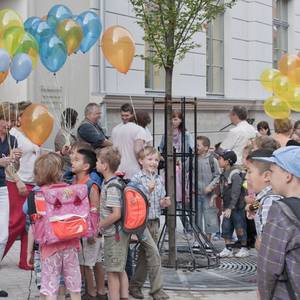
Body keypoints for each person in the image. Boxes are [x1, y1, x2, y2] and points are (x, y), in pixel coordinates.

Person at [26, 153, 81, 300]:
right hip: (71, 243)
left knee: (50, 288)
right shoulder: (69, 190)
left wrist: (29, 251)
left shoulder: (37, 195)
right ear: (59, 172)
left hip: (49, 247)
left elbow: (34, 227)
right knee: (74, 287)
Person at [254, 146, 300, 299]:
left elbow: (269, 266)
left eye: (272, 172)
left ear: (288, 176)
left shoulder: (280, 211)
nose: (269, 177)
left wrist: (263, 295)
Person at [129, 146, 170, 300]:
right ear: (141, 161)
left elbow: (159, 201)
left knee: (144, 255)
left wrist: (164, 202)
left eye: (156, 160)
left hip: (155, 222)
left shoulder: (159, 179)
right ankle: (157, 291)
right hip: (141, 224)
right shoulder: (137, 178)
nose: (154, 162)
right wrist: (148, 190)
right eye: (150, 159)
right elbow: (133, 201)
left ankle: (135, 286)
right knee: (154, 254)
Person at [4, 101, 38, 270]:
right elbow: (10, 163)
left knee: (28, 223)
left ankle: (26, 260)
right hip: (18, 181)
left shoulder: (32, 133)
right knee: (15, 222)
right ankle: (1, 253)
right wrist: (18, 180)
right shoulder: (14, 134)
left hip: (31, 181)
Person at [71, 148, 107, 300]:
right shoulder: (74, 181)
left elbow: (95, 210)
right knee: (94, 261)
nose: (72, 162)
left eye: (77, 160)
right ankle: (100, 292)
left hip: (89, 231)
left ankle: (92, 293)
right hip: (82, 230)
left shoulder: (90, 185)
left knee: (86, 263)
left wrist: (92, 231)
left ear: (86, 166)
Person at [96, 147, 130, 300]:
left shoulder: (111, 186)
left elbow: (116, 214)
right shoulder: (111, 182)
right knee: (120, 269)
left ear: (105, 166)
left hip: (114, 235)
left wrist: (100, 224)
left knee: (112, 272)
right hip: (118, 233)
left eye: (98, 161)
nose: (96, 163)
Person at [0, 103, 22, 298]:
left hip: (2, 188)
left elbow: (13, 168)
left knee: (3, 236)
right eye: (7, 120)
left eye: (12, 121)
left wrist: (16, 159)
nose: (10, 124)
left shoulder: (12, 139)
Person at [245, 149, 281, 250]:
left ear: (266, 176)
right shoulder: (267, 197)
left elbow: (269, 243)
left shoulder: (270, 201)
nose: (246, 177)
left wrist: (259, 242)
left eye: (249, 172)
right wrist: (251, 207)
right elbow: (260, 203)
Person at [217, 149, 249, 258]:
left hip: (236, 207)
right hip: (227, 207)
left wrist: (231, 207)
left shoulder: (235, 174)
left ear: (227, 161)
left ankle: (244, 247)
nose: (218, 160)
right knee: (226, 226)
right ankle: (228, 248)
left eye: (220, 158)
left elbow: (236, 192)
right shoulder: (223, 173)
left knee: (239, 226)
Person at [159, 111, 193, 203]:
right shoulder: (166, 134)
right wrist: (163, 157)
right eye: (171, 119)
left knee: (178, 173)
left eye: (175, 119)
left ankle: (179, 198)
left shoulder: (186, 135)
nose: (173, 121)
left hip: (182, 163)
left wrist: (183, 162)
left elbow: (192, 150)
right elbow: (160, 149)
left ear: (181, 120)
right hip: (169, 163)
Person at [193, 136, 220, 241]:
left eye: (198, 145)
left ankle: (208, 240)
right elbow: (185, 170)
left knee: (209, 217)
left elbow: (217, 176)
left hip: (209, 195)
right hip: (196, 193)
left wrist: (210, 186)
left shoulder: (212, 160)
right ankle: (197, 240)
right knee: (197, 218)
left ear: (206, 147)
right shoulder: (193, 158)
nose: (196, 147)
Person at [111, 114, 146, 180]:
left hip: (118, 169)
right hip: (134, 169)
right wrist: (142, 164)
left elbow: (113, 149)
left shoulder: (115, 129)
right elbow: (138, 150)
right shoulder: (140, 130)